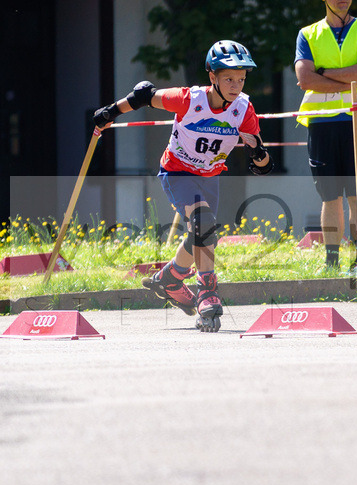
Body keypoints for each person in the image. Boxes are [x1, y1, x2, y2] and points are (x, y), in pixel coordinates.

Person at [93, 40, 273, 332]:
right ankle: (208, 293)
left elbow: (263, 164)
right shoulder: (189, 99)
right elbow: (143, 96)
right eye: (228, 78)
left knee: (202, 233)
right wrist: (110, 112)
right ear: (212, 77)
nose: (235, 85)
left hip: (210, 176)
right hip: (176, 171)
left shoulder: (243, 108)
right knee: (203, 223)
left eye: (241, 78)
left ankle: (170, 278)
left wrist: (258, 154)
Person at [295, 0, 357, 269]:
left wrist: (326, 74)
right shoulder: (308, 34)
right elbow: (305, 80)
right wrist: (347, 79)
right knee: (330, 197)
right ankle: (332, 263)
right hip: (321, 121)